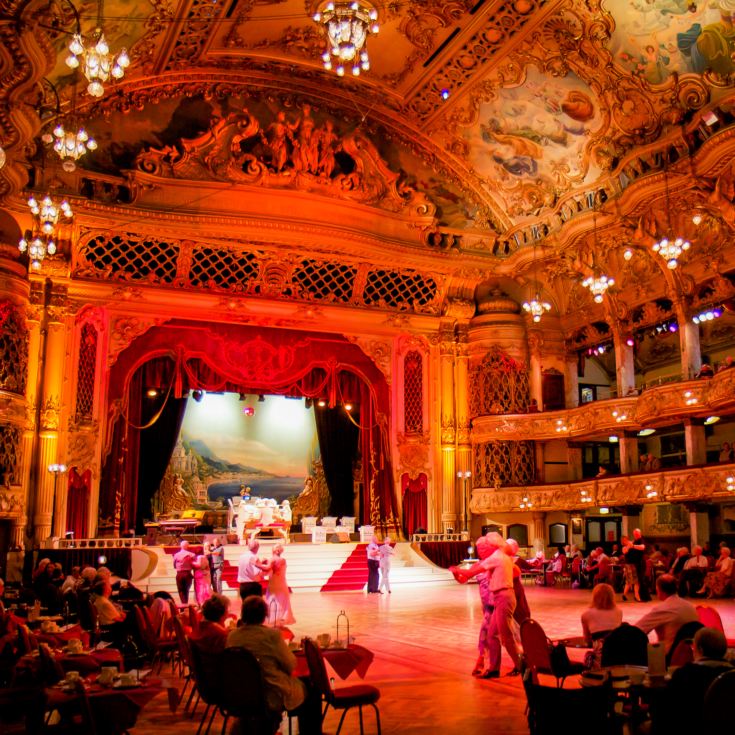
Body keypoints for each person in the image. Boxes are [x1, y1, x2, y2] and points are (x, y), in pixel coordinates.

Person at [226, 596, 312, 732]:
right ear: (264, 615)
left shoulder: (232, 636)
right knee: (310, 687)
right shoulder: (272, 636)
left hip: (241, 692)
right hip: (269, 692)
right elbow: (290, 664)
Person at [451, 532, 520, 677]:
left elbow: (469, 574)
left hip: (502, 597)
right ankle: (494, 668)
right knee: (492, 635)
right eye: (480, 548)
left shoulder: (496, 557)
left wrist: (457, 569)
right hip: (499, 599)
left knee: (505, 637)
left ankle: (521, 666)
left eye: (484, 547)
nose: (481, 550)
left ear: (491, 546)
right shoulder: (501, 557)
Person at [651, 627, 733, 735]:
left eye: (693, 647)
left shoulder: (685, 674)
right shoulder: (731, 674)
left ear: (700, 649)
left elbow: (664, 709)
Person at [635, 574, 698, 654]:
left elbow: (637, 630)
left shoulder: (663, 609)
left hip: (669, 657)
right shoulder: (691, 607)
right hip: (691, 655)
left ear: (658, 589)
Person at [581, 583, 623, 670]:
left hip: (601, 659)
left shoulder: (586, 614)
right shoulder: (619, 612)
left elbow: (587, 640)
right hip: (619, 656)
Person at [265, 544, 295, 626]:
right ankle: (278, 618)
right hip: (279, 582)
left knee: (273, 599)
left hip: (275, 583)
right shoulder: (282, 560)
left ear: (275, 550)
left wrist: (258, 564)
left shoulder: (273, 560)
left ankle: (274, 618)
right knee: (279, 600)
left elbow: (269, 570)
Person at [172, 539, 196, 605]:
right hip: (188, 574)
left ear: (180, 546)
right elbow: (194, 565)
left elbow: (174, 566)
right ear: (187, 546)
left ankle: (183, 603)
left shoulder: (176, 555)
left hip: (179, 574)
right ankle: (185, 603)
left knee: (181, 590)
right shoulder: (192, 555)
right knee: (186, 590)